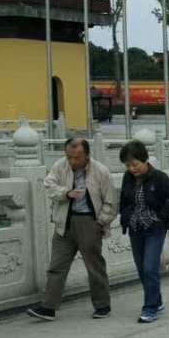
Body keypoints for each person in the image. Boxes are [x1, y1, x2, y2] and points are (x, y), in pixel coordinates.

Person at [28, 137, 118, 321]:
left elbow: (111, 201)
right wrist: (66, 193)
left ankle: (102, 305)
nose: (72, 161)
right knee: (56, 266)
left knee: (94, 266)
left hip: (89, 221)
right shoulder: (60, 166)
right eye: (69, 157)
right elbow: (48, 185)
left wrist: (100, 222)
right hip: (64, 221)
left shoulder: (101, 171)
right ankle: (49, 307)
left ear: (87, 155)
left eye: (77, 157)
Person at [118, 140, 169, 323]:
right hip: (135, 227)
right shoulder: (127, 178)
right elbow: (124, 200)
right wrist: (125, 215)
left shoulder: (159, 177)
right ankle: (157, 300)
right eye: (128, 165)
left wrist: (161, 215)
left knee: (150, 267)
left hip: (154, 228)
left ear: (145, 159)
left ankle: (150, 308)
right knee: (141, 268)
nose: (132, 169)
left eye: (135, 164)